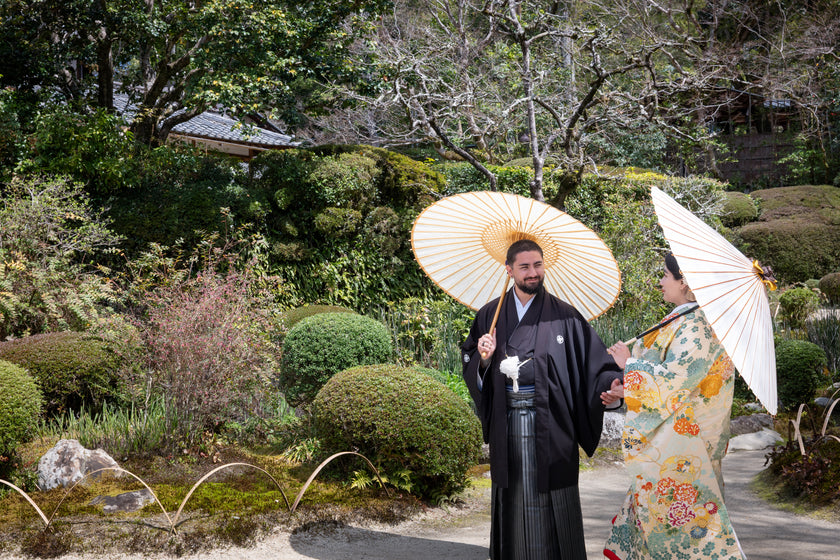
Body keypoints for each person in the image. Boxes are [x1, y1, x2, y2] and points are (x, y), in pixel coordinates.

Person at [461, 239, 623, 560]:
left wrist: (611, 383)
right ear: (509, 271)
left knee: (554, 501)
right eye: (524, 267)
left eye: (537, 265)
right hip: (507, 427)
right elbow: (471, 364)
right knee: (513, 498)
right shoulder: (489, 316)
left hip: (553, 426)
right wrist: (483, 360)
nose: (533, 273)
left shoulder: (565, 317)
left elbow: (595, 364)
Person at [601, 253, 745, 560]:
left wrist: (630, 363)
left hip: (686, 447)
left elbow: (676, 381)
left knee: (689, 532)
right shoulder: (684, 319)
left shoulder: (697, 327)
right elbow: (671, 381)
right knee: (660, 520)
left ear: (685, 282)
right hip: (675, 442)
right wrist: (628, 389)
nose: (661, 281)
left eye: (666, 275)